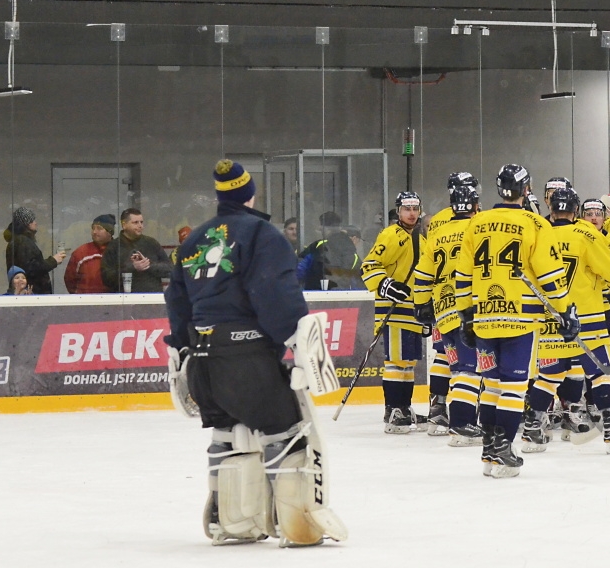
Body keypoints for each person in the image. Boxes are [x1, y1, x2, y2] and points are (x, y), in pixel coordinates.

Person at [164, 159, 345, 546]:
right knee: (289, 431)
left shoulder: (194, 239)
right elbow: (273, 291)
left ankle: (234, 521)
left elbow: (176, 303)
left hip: (201, 363)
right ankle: (299, 524)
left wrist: (181, 349)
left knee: (229, 434)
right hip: (244, 360)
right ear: (251, 194)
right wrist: (296, 340)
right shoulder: (261, 234)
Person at [452, 163, 571, 478]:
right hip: (519, 319)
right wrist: (565, 310)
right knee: (515, 387)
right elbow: (549, 274)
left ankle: (490, 452)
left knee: (491, 386)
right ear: (526, 189)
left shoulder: (477, 224)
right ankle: (504, 449)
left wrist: (466, 316)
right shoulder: (534, 224)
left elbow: (462, 275)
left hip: (485, 316)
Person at [522, 187, 610, 455]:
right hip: (587, 317)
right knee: (601, 374)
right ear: (576, 210)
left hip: (553, 319)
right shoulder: (586, 234)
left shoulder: (539, 234)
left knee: (549, 376)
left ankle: (532, 430)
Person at [412, 182, 482, 445]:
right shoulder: (477, 228)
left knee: (457, 367)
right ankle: (462, 424)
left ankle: (450, 415)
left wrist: (422, 305)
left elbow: (423, 273)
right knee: (469, 369)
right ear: (475, 205)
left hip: (443, 310)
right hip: (468, 309)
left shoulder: (439, 232)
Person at [361, 191, 427, 433]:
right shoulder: (392, 235)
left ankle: (404, 407)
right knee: (396, 363)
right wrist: (386, 285)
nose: (411, 213)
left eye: (415, 208)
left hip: (412, 311)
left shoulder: (421, 238)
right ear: (398, 211)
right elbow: (369, 265)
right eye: (407, 208)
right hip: (394, 310)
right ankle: (393, 409)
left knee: (408, 364)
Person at [101, 208, 172, 293]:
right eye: (135, 222)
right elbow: (106, 278)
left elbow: (170, 269)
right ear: (124, 225)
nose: (140, 226)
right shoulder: (114, 247)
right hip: (124, 300)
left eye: (141, 222)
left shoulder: (151, 243)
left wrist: (148, 265)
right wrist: (132, 268)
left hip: (152, 298)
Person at [5, 206, 65, 294]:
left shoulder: (19, 240)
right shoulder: (23, 241)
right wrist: (53, 261)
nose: (35, 223)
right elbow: (31, 268)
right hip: (31, 292)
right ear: (27, 224)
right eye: (32, 220)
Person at [64, 214, 114, 294]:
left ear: (110, 232)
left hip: (112, 302)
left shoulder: (117, 251)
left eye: (99, 228)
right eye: (93, 228)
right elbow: (70, 279)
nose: (94, 232)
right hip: (85, 302)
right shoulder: (81, 252)